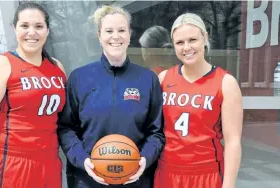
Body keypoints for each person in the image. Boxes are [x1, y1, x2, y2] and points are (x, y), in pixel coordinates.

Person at [57, 5, 165, 188]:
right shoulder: (79, 78)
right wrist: (84, 160)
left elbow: (156, 132)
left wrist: (144, 159)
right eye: (109, 31)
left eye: (121, 30)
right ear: (99, 36)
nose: (116, 36)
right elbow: (66, 129)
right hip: (89, 180)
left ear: (130, 35)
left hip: (135, 180)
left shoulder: (148, 79)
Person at [0, 2, 66, 188]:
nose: (32, 32)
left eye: (38, 26)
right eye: (25, 26)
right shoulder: (0, 65)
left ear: (47, 30)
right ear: (14, 28)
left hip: (50, 162)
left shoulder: (57, 67)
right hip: (13, 162)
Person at [154, 13, 243, 188]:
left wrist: (229, 184)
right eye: (180, 42)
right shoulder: (163, 79)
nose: (186, 47)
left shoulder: (225, 82)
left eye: (192, 39)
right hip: (167, 172)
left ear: (205, 38)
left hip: (206, 174)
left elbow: (233, 141)